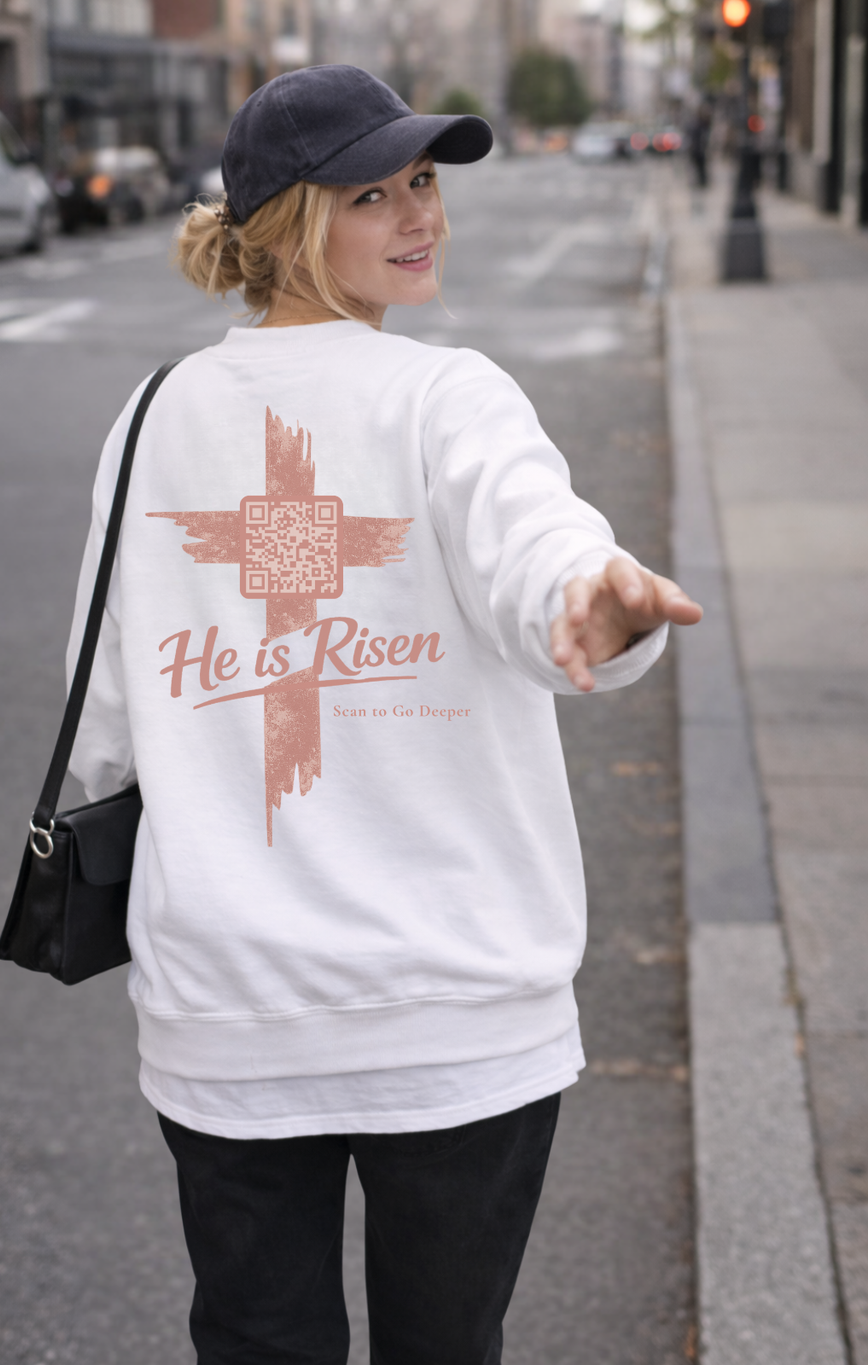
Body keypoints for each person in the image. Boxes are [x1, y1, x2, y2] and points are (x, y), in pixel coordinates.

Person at [67, 64, 702, 1365]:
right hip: (454, 1003)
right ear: (294, 221)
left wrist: (588, 591)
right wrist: (587, 603)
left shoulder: (150, 421)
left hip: (231, 1002)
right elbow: (539, 551)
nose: (423, 215)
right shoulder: (441, 394)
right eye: (376, 192)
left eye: (424, 181)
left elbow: (107, 718)